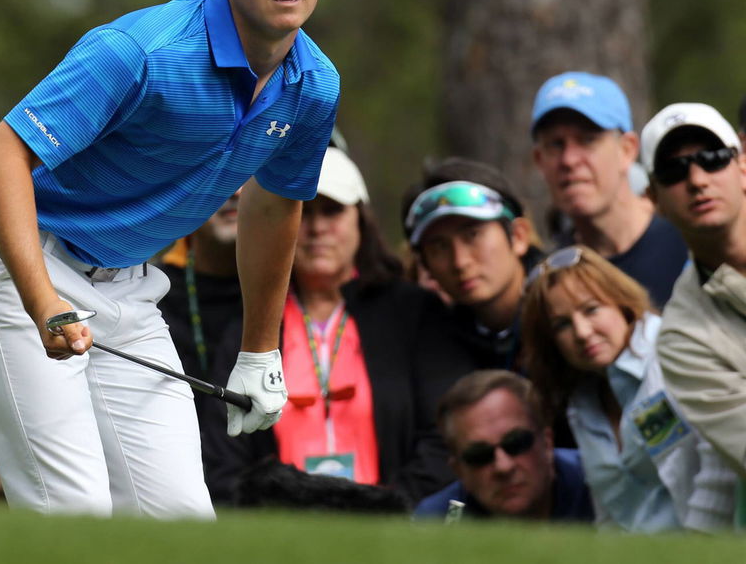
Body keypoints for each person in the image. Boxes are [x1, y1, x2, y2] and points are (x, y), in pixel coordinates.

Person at [0, 0, 341, 517]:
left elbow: (273, 204)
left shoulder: (314, 85)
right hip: (12, 264)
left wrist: (261, 349)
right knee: (73, 511)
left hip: (127, 281)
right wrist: (43, 303)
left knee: (179, 518)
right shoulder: (143, 51)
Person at [203, 148, 472, 506]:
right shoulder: (252, 321)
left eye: (332, 211)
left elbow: (446, 432)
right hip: (280, 527)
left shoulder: (415, 312)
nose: (317, 228)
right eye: (304, 211)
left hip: (397, 522)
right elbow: (224, 449)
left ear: (361, 219)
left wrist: (394, 508)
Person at [521, 245, 734, 531]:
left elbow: (722, 460)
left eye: (591, 309)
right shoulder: (580, 403)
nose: (582, 332)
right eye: (562, 325)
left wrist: (701, 542)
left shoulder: (676, 352)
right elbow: (609, 511)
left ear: (621, 302)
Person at [640, 103, 746, 481]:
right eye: (674, 170)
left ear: (743, 168)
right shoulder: (682, 337)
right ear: (654, 200)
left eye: (712, 159)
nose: (698, 180)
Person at [530, 72, 688, 308]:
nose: (569, 160)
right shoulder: (549, 281)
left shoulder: (690, 241)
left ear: (627, 150)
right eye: (556, 144)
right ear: (539, 160)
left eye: (587, 140)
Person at [402, 158, 541, 372]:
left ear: (518, 236)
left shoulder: (570, 311)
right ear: (425, 265)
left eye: (472, 235)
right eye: (440, 247)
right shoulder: (434, 347)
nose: (460, 262)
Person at [415, 370, 593, 522]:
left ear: (547, 442)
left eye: (516, 443)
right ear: (459, 470)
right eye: (479, 455)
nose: (503, 467)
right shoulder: (440, 520)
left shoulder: (596, 482)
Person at [157, 187, 245, 430]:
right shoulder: (150, 292)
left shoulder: (305, 288)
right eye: (222, 174)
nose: (235, 191)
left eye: (252, 174)